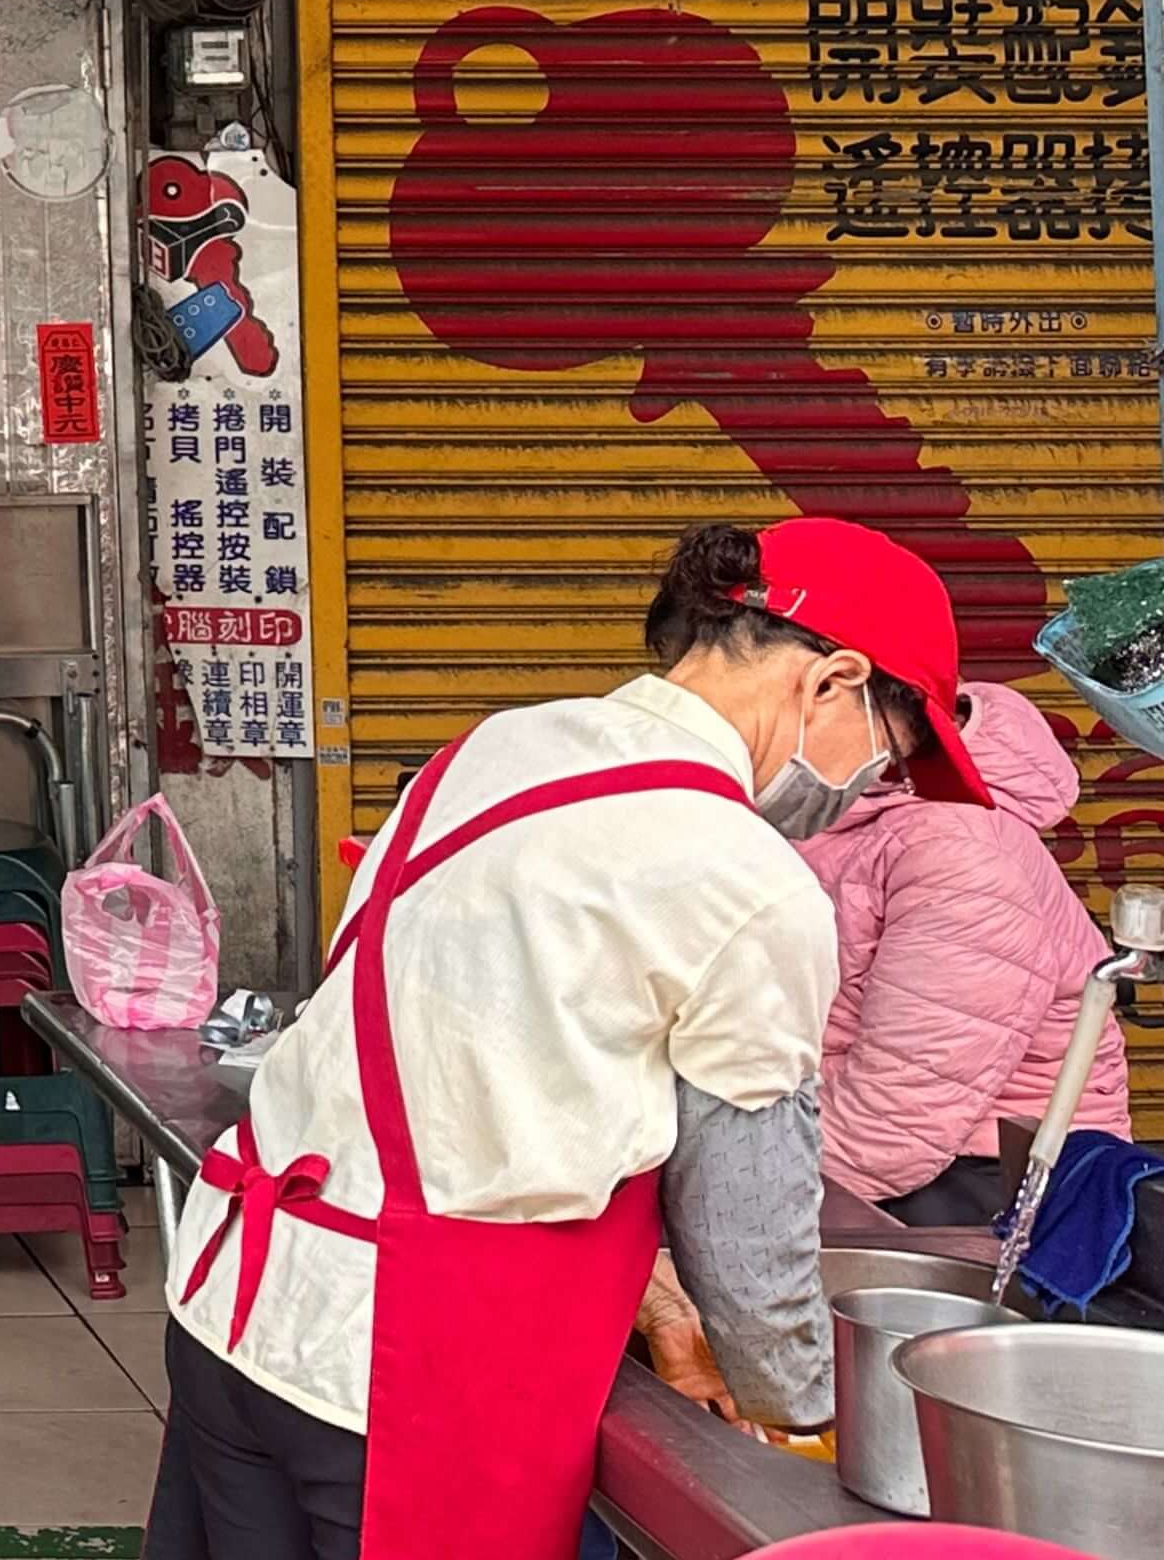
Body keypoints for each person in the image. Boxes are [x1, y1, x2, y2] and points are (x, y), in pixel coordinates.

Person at [148, 513, 991, 1560]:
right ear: (832, 684)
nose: (866, 788)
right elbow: (746, 1199)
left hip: (242, 1311)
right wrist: (809, 1412)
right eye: (888, 756)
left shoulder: (494, 748)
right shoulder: (744, 874)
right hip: (415, 1371)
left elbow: (471, 1058)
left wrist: (657, 1294)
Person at [800, 664, 1131, 1225]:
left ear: (836, 690)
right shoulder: (829, 813)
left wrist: (739, 1193)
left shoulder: (956, 849)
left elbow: (899, 1119)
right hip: (853, 1147)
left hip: (982, 1178)